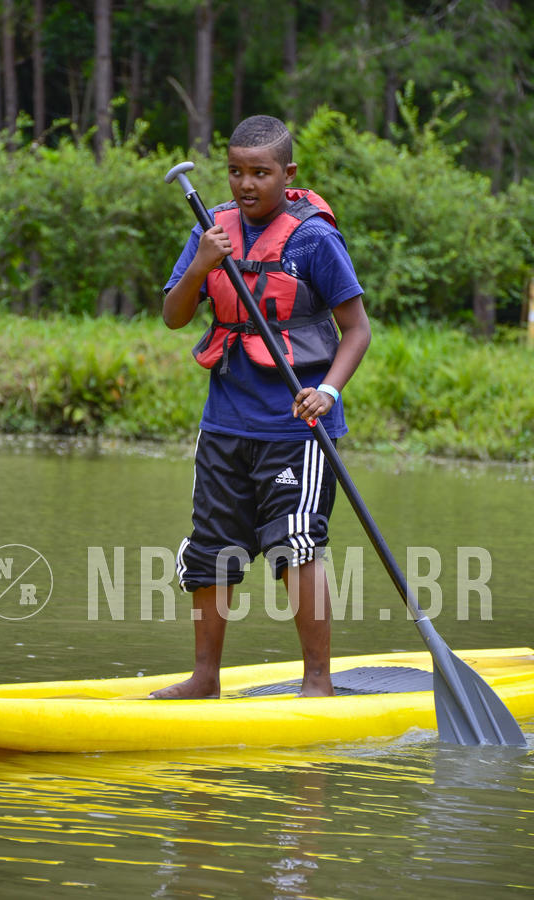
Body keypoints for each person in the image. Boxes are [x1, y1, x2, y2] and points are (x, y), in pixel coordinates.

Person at [152, 115, 370, 699]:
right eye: (235, 172)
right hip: (225, 421)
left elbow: (357, 330)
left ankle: (317, 684)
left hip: (299, 424)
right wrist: (201, 264)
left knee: (295, 545)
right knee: (211, 548)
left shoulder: (313, 239)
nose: (246, 184)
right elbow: (174, 315)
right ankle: (204, 678)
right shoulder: (211, 230)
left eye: (261, 173)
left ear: (288, 173)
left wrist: (329, 391)